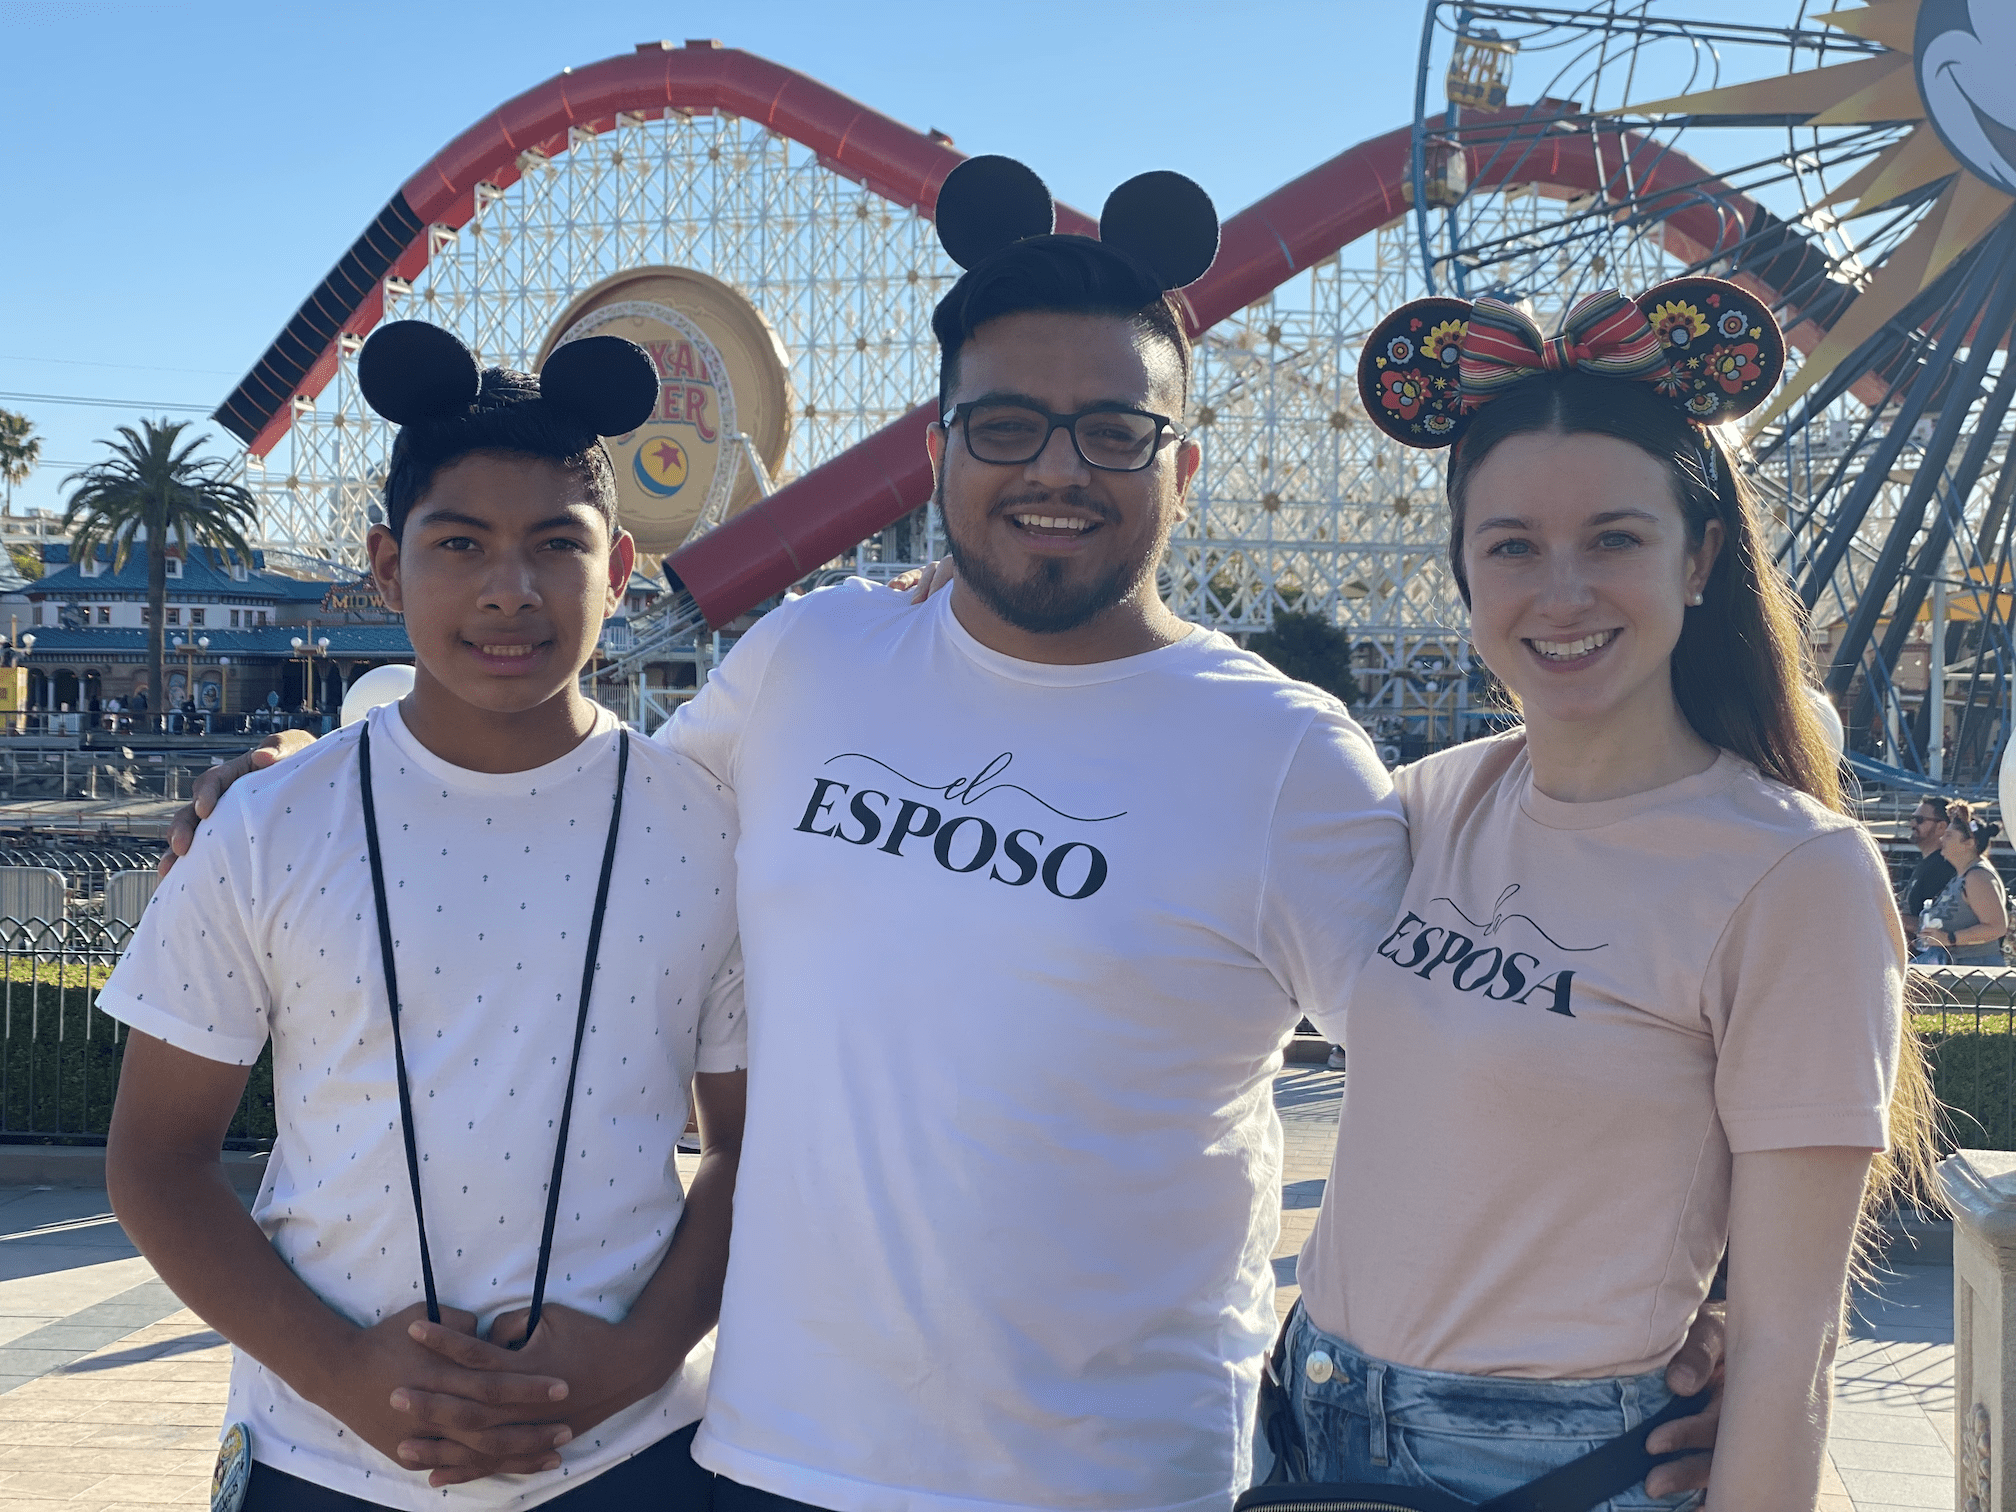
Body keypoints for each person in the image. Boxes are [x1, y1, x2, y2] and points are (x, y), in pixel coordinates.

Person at [167, 157, 1725, 1510]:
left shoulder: (1283, 758)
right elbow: (573, 787)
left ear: (1181, 466)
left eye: (1115, 433)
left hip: (1117, 1479)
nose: (1058, 470)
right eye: (1010, 428)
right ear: (937, 453)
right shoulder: (813, 661)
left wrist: (1680, 1309)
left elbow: (1496, 1056)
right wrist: (326, 757)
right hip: (769, 1461)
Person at [1277, 280, 1935, 1511]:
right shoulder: (1427, 804)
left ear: (1702, 561)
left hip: (1549, 1464)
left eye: (1615, 540)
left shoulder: (1796, 875)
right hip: (1305, 1421)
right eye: (1512, 545)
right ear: (1465, 575)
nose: (1561, 591)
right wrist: (961, 618)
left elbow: (1792, 1350)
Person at [103, 322, 744, 1511]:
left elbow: (748, 1150)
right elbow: (153, 1160)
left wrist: (637, 1357)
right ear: (387, 568)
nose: (511, 587)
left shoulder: (705, 828)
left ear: (622, 568)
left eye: (558, 545)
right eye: (462, 544)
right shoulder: (267, 824)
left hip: (631, 1452)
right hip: (322, 1457)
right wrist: (343, 1371)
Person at [1918, 799, 2007, 966]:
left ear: (1969, 843)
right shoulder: (1963, 875)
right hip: (1958, 967)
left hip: (1975, 971)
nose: (1942, 839)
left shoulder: (1977, 877)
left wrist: (1949, 938)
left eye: (1949, 835)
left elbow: (1997, 927)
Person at [1901, 797, 1954, 943]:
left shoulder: (1942, 868)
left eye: (1919, 820)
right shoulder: (1928, 863)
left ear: (1941, 827)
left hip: (1932, 957)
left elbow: (1940, 923)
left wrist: (1892, 917)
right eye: (1912, 819)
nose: (1912, 824)